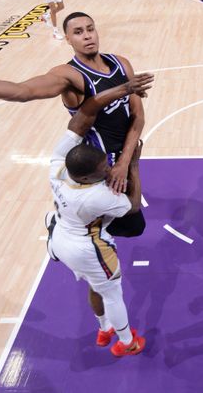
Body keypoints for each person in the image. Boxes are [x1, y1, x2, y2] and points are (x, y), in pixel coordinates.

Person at [0, 11, 148, 233]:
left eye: (90, 29)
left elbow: (138, 115)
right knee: (114, 228)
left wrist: (126, 161)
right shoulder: (67, 74)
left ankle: (67, 221)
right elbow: (21, 91)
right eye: (78, 32)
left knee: (133, 226)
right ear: (67, 39)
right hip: (94, 165)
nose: (87, 36)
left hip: (122, 157)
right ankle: (64, 226)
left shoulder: (120, 63)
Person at [46, 73, 153, 357]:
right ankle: (126, 342)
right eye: (103, 169)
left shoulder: (57, 165)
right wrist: (134, 167)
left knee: (95, 285)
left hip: (61, 238)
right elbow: (132, 207)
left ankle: (104, 328)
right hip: (87, 246)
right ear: (89, 177)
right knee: (112, 292)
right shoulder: (97, 196)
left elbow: (76, 125)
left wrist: (101, 100)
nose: (108, 168)